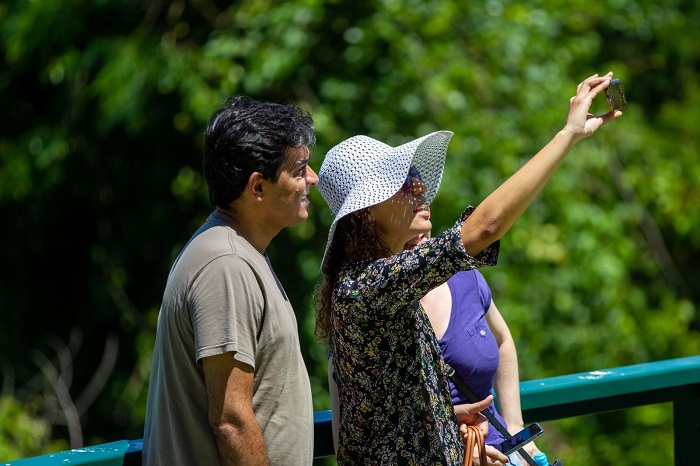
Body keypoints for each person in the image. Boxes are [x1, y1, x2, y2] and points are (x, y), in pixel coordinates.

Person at [316, 73, 621, 465]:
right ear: (367, 214)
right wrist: (567, 135)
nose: (420, 187)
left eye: (415, 177)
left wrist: (445, 425)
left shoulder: (378, 281)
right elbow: (483, 228)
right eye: (401, 181)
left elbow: (386, 420)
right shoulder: (369, 285)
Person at [143, 96, 319, 465]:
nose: (312, 179)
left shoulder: (238, 253)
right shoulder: (226, 265)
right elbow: (230, 420)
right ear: (258, 187)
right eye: (299, 169)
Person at [328, 235, 540, 466]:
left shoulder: (465, 277)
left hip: (503, 452)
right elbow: (354, 437)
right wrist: (454, 445)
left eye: (424, 205)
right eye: (411, 208)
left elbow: (502, 340)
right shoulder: (363, 311)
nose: (424, 215)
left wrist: (515, 427)